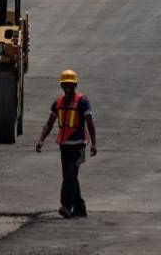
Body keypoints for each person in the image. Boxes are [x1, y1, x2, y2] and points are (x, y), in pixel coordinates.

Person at [36, 69, 97, 218]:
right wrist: (41, 140)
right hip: (64, 146)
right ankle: (80, 208)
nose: (68, 87)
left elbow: (90, 123)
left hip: (79, 146)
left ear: (75, 85)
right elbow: (49, 123)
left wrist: (94, 144)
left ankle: (66, 206)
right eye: (65, 84)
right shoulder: (57, 103)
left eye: (70, 84)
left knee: (70, 175)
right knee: (70, 177)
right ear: (62, 86)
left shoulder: (83, 101)